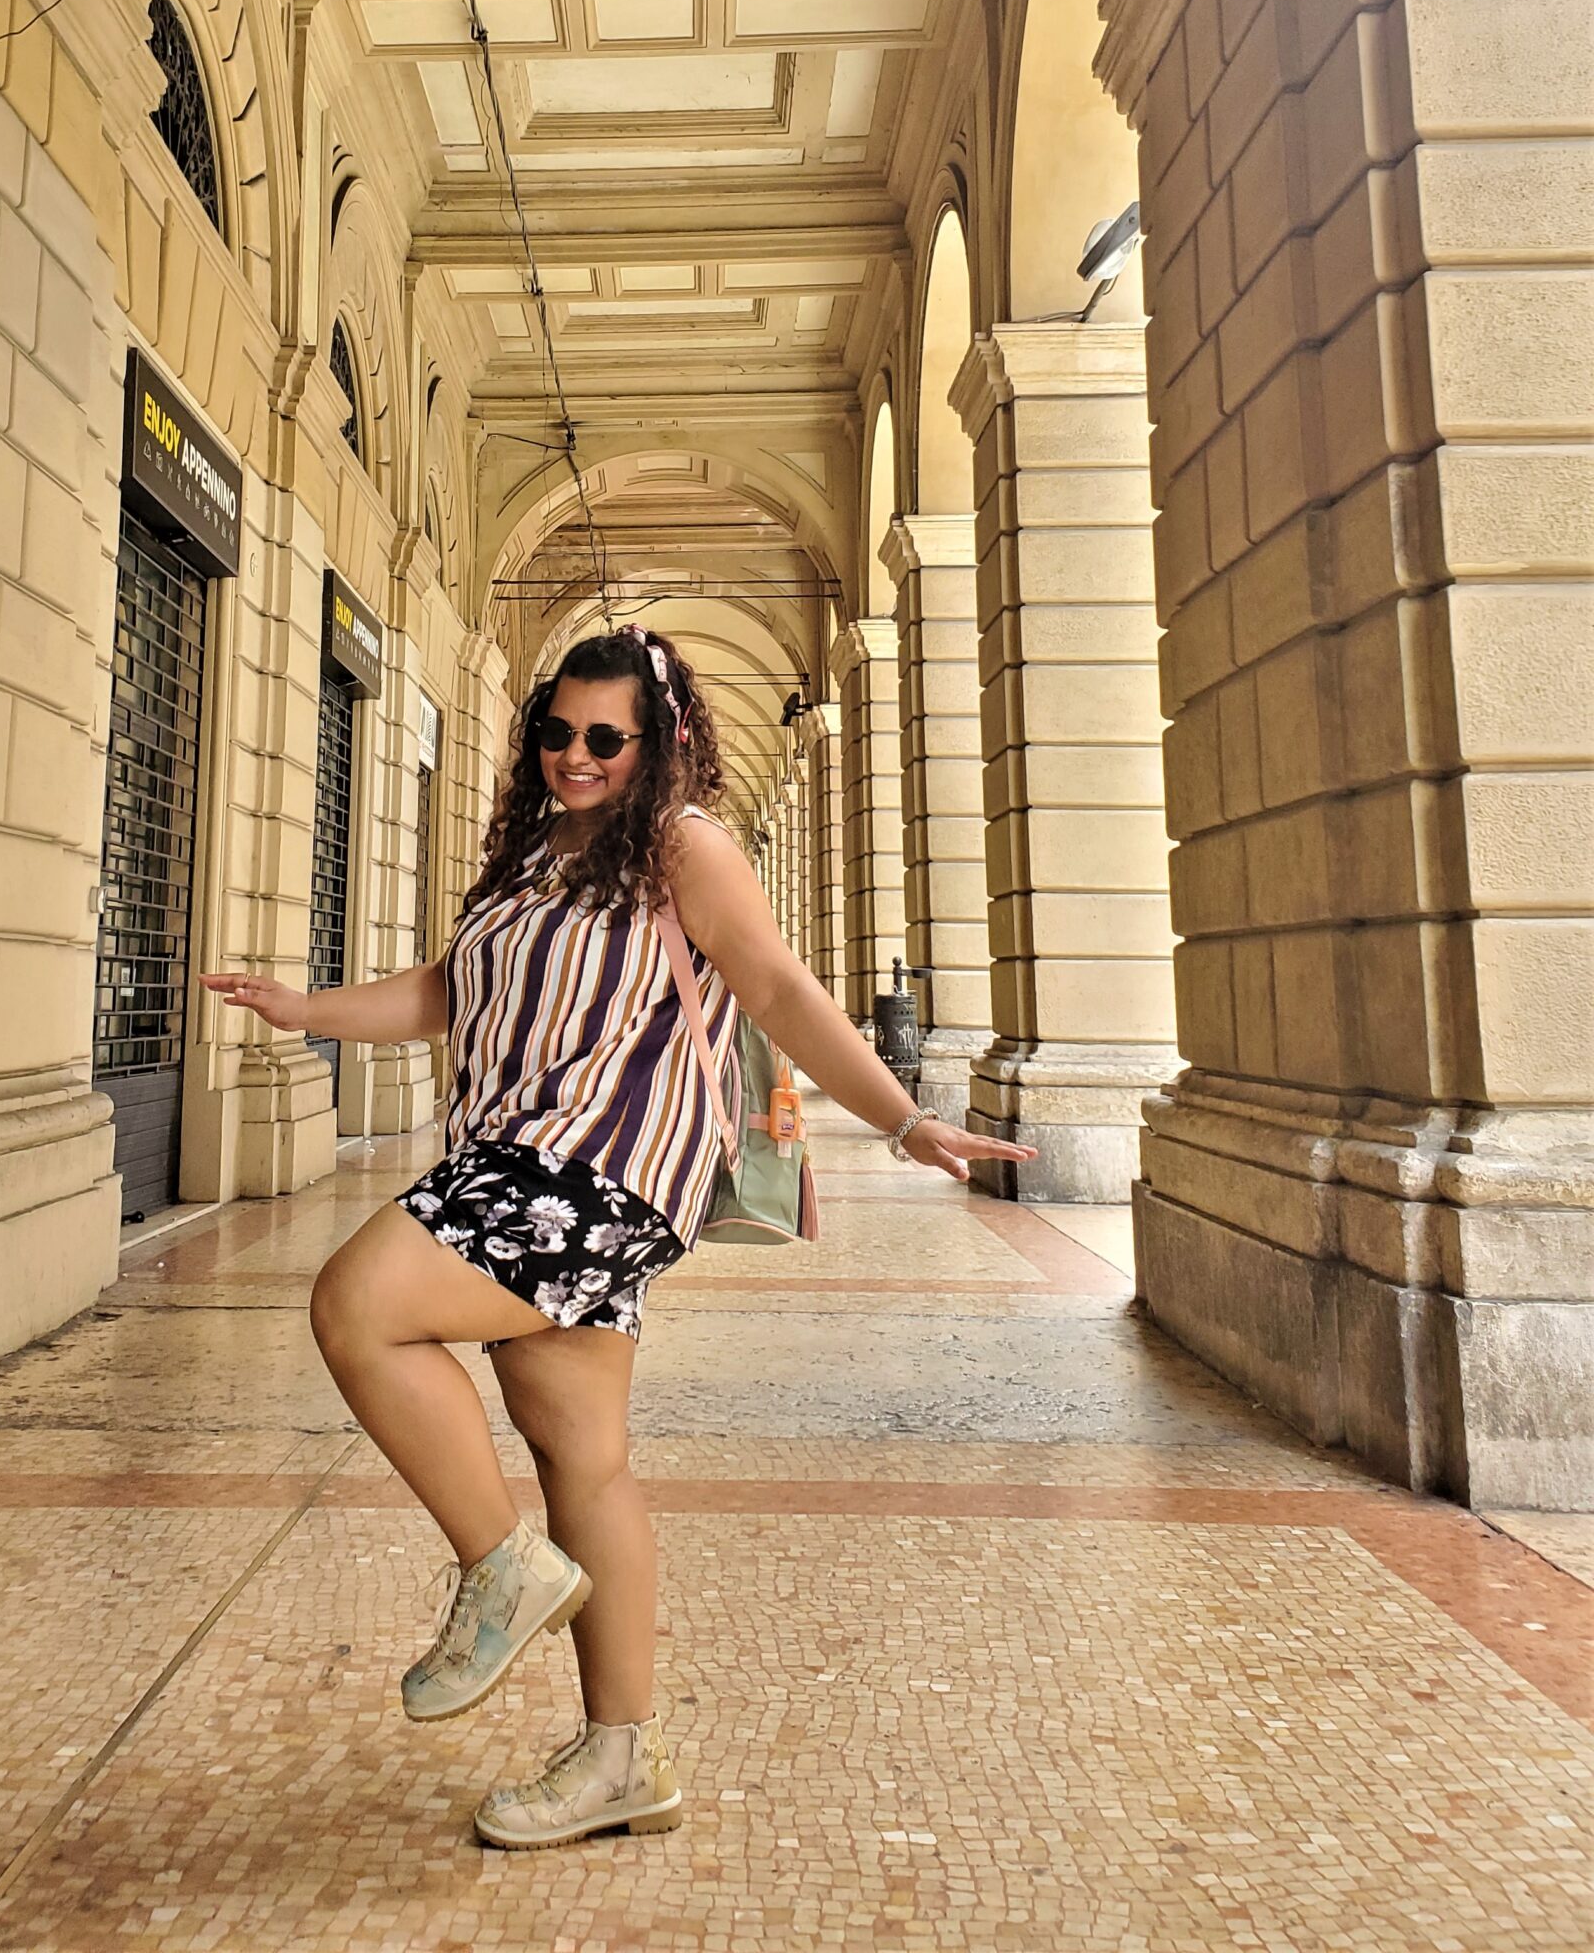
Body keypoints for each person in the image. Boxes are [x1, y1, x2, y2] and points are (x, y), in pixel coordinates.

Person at [202, 624, 1034, 1848]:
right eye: (557, 732)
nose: (576, 756)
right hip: (515, 1153)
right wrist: (303, 1009)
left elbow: (780, 988)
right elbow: (448, 992)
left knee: (358, 1300)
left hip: (596, 1169)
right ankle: (619, 1761)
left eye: (605, 738)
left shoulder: (684, 845)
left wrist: (906, 1118)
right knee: (581, 1457)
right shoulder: (534, 855)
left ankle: (501, 1569)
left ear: (656, 745)